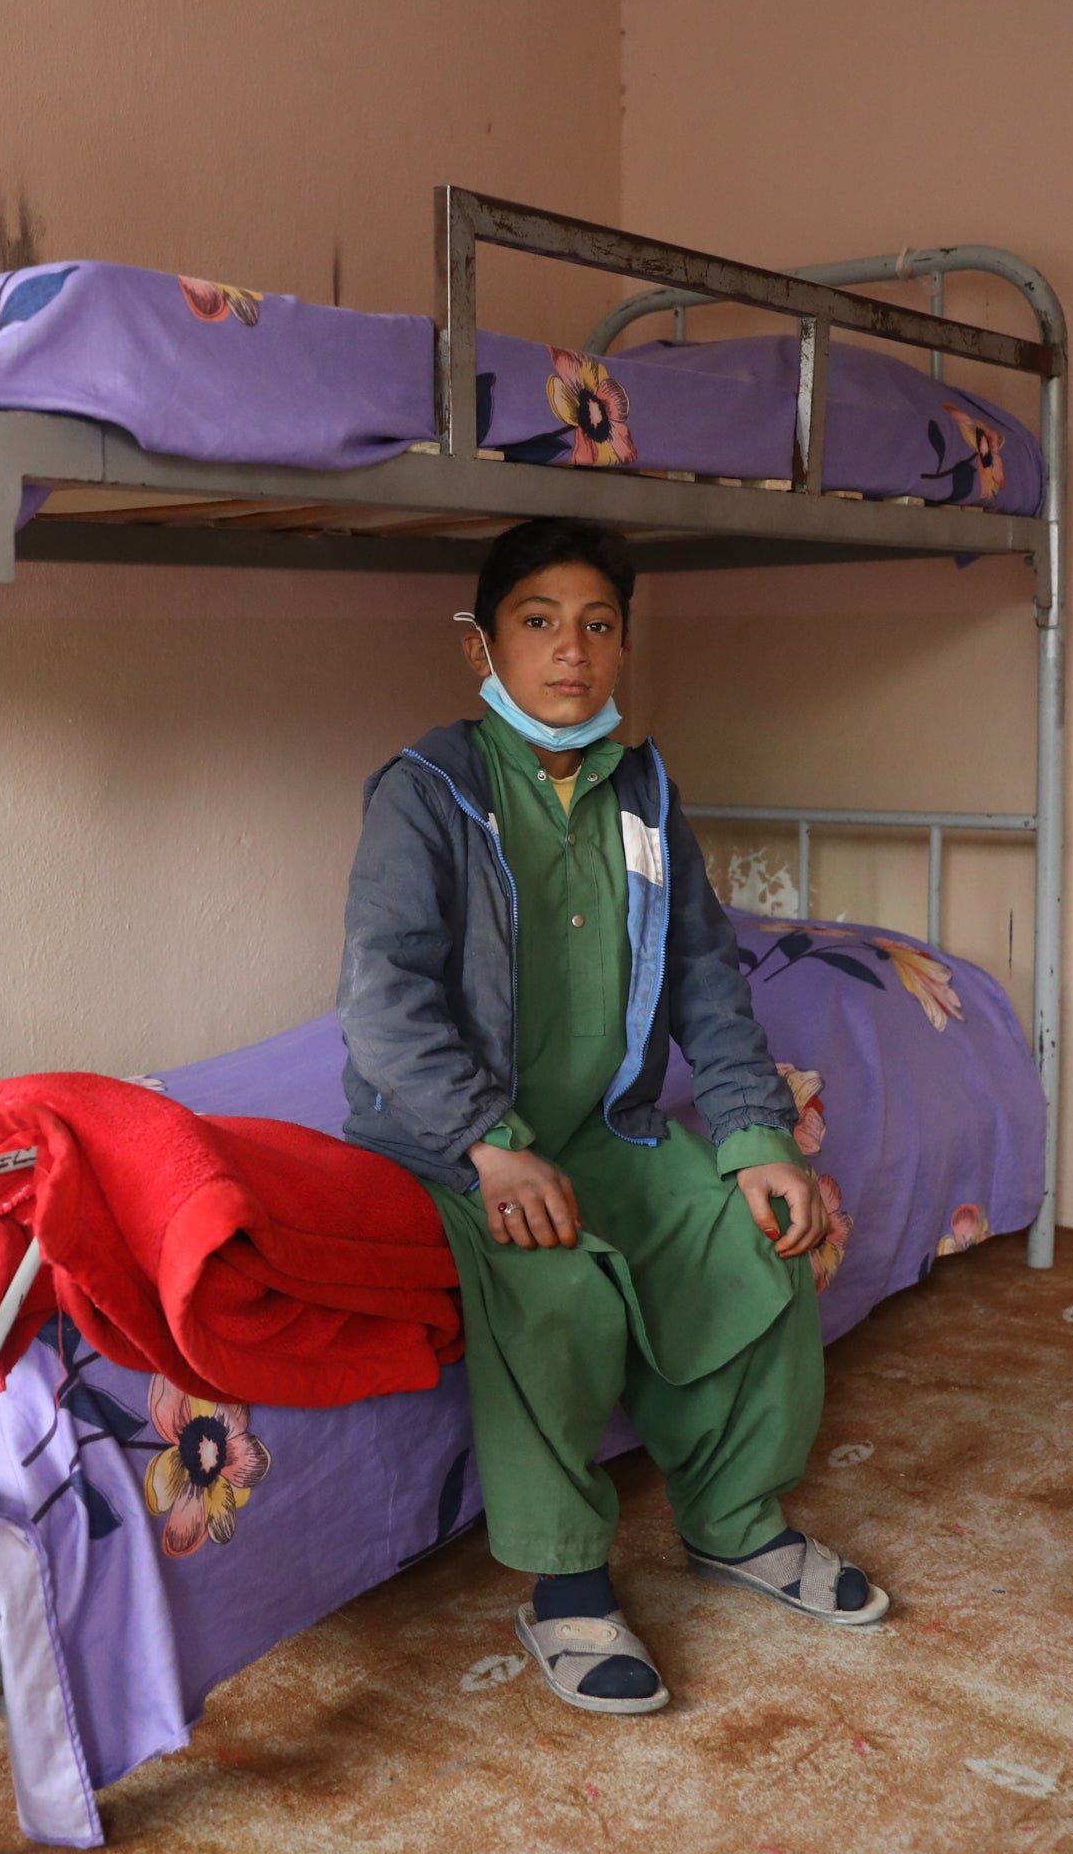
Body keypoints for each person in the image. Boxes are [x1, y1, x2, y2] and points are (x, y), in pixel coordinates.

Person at [336, 517, 887, 1716]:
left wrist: (755, 1137)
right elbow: (382, 1000)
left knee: (762, 1234)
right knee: (558, 1285)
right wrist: (487, 1142)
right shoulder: (429, 790)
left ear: (624, 647)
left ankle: (735, 1524)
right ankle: (567, 1586)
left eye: (597, 625)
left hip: (608, 1126)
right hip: (451, 1139)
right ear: (482, 650)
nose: (569, 652)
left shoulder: (643, 791)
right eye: (538, 622)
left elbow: (706, 977)